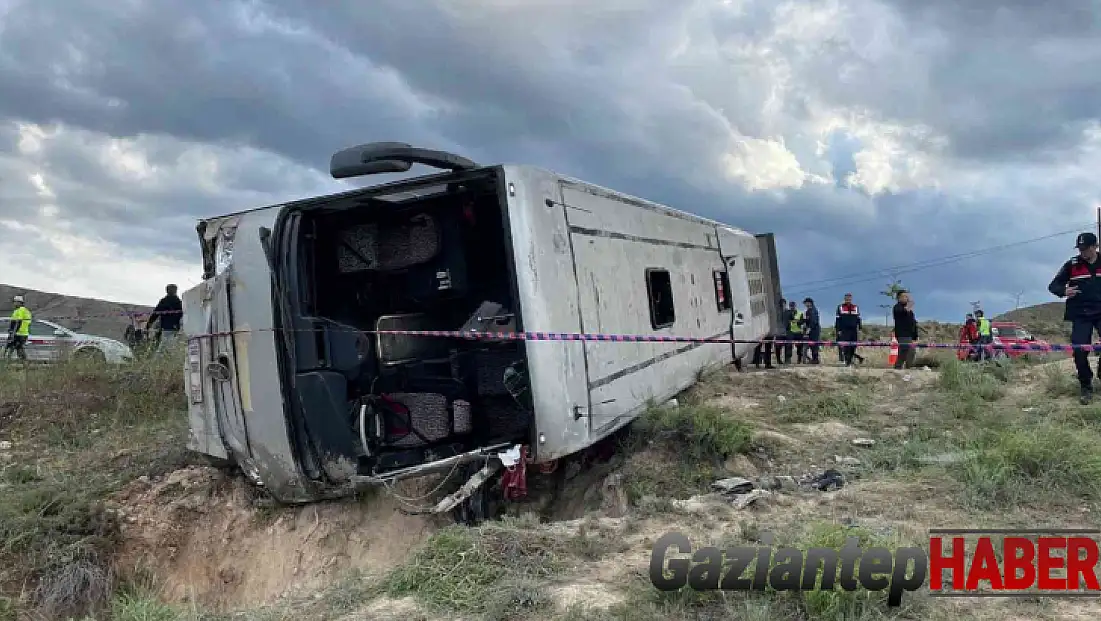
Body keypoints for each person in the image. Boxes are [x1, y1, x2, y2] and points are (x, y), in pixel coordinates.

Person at [1048, 232, 1101, 403]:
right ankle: (1086, 386)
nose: (1082, 252)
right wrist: (1064, 291)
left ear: (1095, 247)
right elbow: (1053, 285)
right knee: (1079, 350)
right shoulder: (1072, 265)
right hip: (1081, 314)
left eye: (1086, 249)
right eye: (1080, 249)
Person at [146, 284, 183, 352]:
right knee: (171, 347)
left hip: (166, 328)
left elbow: (155, 314)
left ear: (166, 291)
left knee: (164, 348)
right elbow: (183, 315)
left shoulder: (164, 301)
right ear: (176, 291)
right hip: (176, 328)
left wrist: (148, 325)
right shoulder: (179, 302)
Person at [892, 290, 919, 369]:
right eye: (904, 296)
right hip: (902, 334)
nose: (906, 298)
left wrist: (915, 336)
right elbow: (904, 311)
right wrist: (910, 303)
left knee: (907, 353)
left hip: (910, 335)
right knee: (908, 351)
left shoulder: (910, 312)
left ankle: (902, 368)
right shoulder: (897, 307)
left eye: (907, 296)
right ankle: (904, 368)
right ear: (898, 298)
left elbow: (913, 323)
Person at [835, 293, 862, 367]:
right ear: (844, 299)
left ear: (851, 299)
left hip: (853, 330)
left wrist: (860, 328)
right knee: (846, 346)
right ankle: (847, 361)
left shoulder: (855, 307)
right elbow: (837, 320)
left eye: (849, 299)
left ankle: (850, 359)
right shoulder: (840, 307)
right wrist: (838, 330)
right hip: (844, 330)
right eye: (846, 299)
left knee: (853, 346)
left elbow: (858, 319)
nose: (848, 300)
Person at [4, 295, 31, 362]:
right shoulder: (25, 311)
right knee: (17, 348)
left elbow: (18, 322)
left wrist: (13, 332)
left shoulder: (21, 310)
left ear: (20, 302)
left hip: (18, 333)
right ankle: (23, 363)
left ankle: (7, 362)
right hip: (23, 333)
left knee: (13, 348)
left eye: (15, 302)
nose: (14, 303)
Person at [802, 297, 821, 364]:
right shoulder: (808, 311)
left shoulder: (813, 310)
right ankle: (813, 359)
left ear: (810, 303)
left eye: (806, 303)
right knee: (811, 345)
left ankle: (815, 359)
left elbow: (814, 321)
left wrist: (809, 329)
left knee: (814, 345)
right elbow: (807, 320)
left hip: (814, 330)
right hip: (810, 330)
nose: (805, 304)